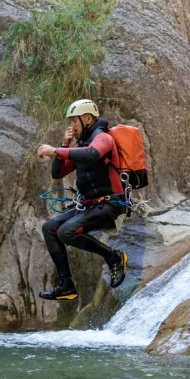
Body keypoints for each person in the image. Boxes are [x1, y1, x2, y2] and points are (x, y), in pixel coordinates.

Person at [36, 99, 129, 301]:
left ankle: (113, 257)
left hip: (110, 205)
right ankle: (66, 285)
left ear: (87, 119)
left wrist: (54, 150)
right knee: (50, 228)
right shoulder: (82, 144)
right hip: (89, 206)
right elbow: (57, 173)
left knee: (65, 231)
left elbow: (92, 154)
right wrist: (64, 145)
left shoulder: (103, 137)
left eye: (74, 121)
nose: (72, 126)